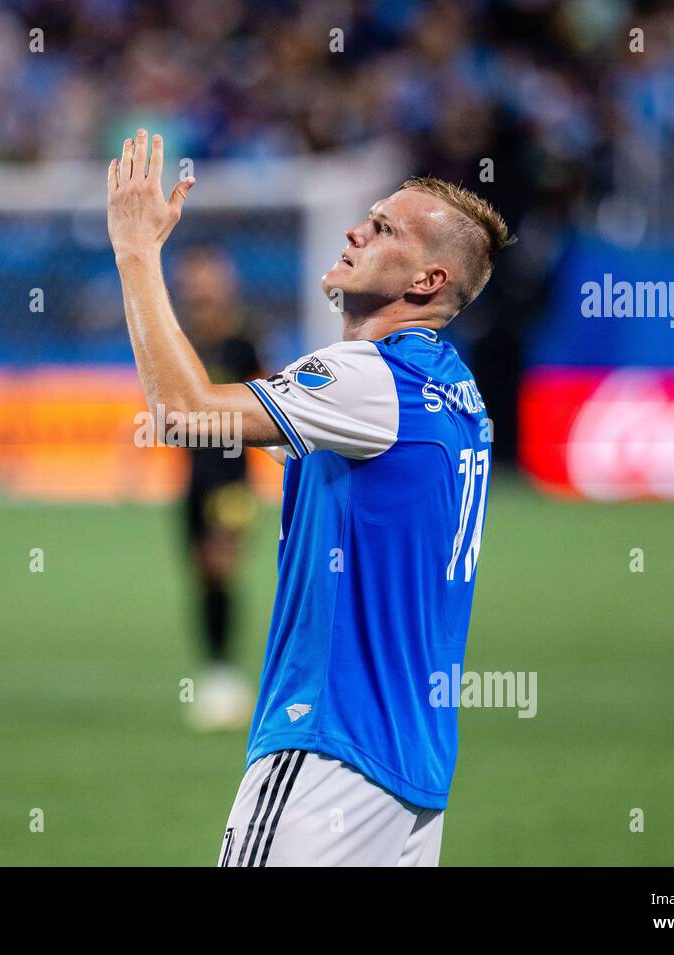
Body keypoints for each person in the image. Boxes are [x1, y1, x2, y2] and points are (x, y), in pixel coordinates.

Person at [107, 130, 513, 866]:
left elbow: (184, 411)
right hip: (411, 776)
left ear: (426, 282)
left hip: (328, 744)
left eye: (386, 227)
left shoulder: (370, 378)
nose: (358, 228)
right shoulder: (454, 389)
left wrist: (135, 254)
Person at [173, 248, 263, 732]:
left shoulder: (242, 338)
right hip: (193, 478)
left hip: (232, 480)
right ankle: (214, 672)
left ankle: (227, 676)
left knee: (220, 566)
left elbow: (266, 396)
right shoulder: (181, 341)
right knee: (200, 575)